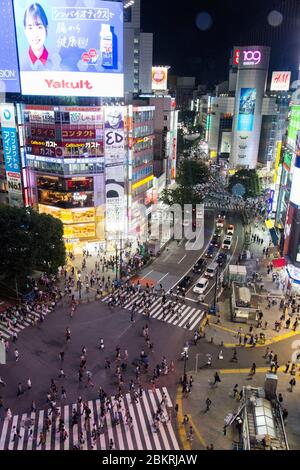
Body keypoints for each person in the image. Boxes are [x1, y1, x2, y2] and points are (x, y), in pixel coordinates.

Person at [22, 3, 53, 71]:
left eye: (39, 27)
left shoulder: (55, 61)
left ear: (46, 29)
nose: (35, 34)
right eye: (30, 28)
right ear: (25, 31)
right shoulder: (21, 62)